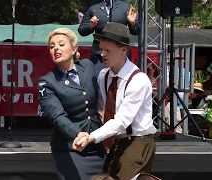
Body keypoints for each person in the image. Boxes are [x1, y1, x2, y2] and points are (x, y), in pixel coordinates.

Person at [73, 22, 156, 180]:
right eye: (101, 49)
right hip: (117, 141)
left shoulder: (138, 80)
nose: (102, 54)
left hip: (138, 142)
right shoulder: (104, 75)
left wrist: (92, 137)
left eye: (108, 50)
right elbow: (101, 108)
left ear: (123, 49)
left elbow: (122, 121)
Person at [38, 27, 106, 180]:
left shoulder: (88, 66)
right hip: (71, 149)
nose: (56, 48)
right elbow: (57, 116)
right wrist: (77, 134)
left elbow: (102, 97)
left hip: (97, 146)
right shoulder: (47, 82)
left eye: (61, 44)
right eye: (52, 46)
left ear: (74, 48)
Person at [78, 0, 140, 73]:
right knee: (99, 80)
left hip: (120, 53)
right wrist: (90, 26)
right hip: (99, 54)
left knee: (121, 80)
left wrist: (133, 23)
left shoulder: (126, 6)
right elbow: (81, 30)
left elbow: (136, 31)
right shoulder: (92, 6)